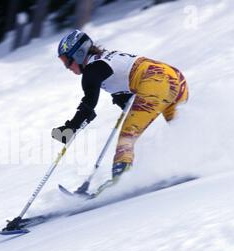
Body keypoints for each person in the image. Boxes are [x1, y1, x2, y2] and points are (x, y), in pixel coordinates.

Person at [52, 29, 189, 183]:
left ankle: (121, 182)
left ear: (78, 54)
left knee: (127, 137)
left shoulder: (92, 70)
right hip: (174, 77)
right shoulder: (105, 59)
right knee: (182, 128)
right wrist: (122, 100)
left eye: (66, 61)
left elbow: (89, 104)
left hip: (156, 80)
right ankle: (197, 159)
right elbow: (125, 80)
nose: (67, 67)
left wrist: (71, 128)